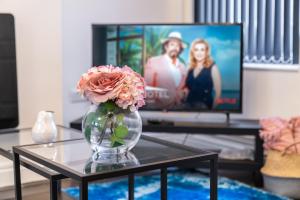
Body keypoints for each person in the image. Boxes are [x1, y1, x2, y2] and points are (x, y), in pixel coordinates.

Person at [144, 31, 187, 109]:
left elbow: (184, 87)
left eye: (178, 46)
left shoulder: (183, 67)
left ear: (180, 49)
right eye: (172, 44)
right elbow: (148, 87)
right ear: (166, 46)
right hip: (159, 109)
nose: (175, 48)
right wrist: (152, 107)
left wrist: (184, 93)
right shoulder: (153, 61)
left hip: (178, 109)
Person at [185, 39, 221, 109]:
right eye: (196, 50)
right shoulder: (189, 68)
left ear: (206, 52)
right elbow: (186, 89)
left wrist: (212, 112)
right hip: (188, 107)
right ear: (193, 52)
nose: (199, 53)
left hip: (205, 108)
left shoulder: (213, 67)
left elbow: (218, 93)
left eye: (202, 50)